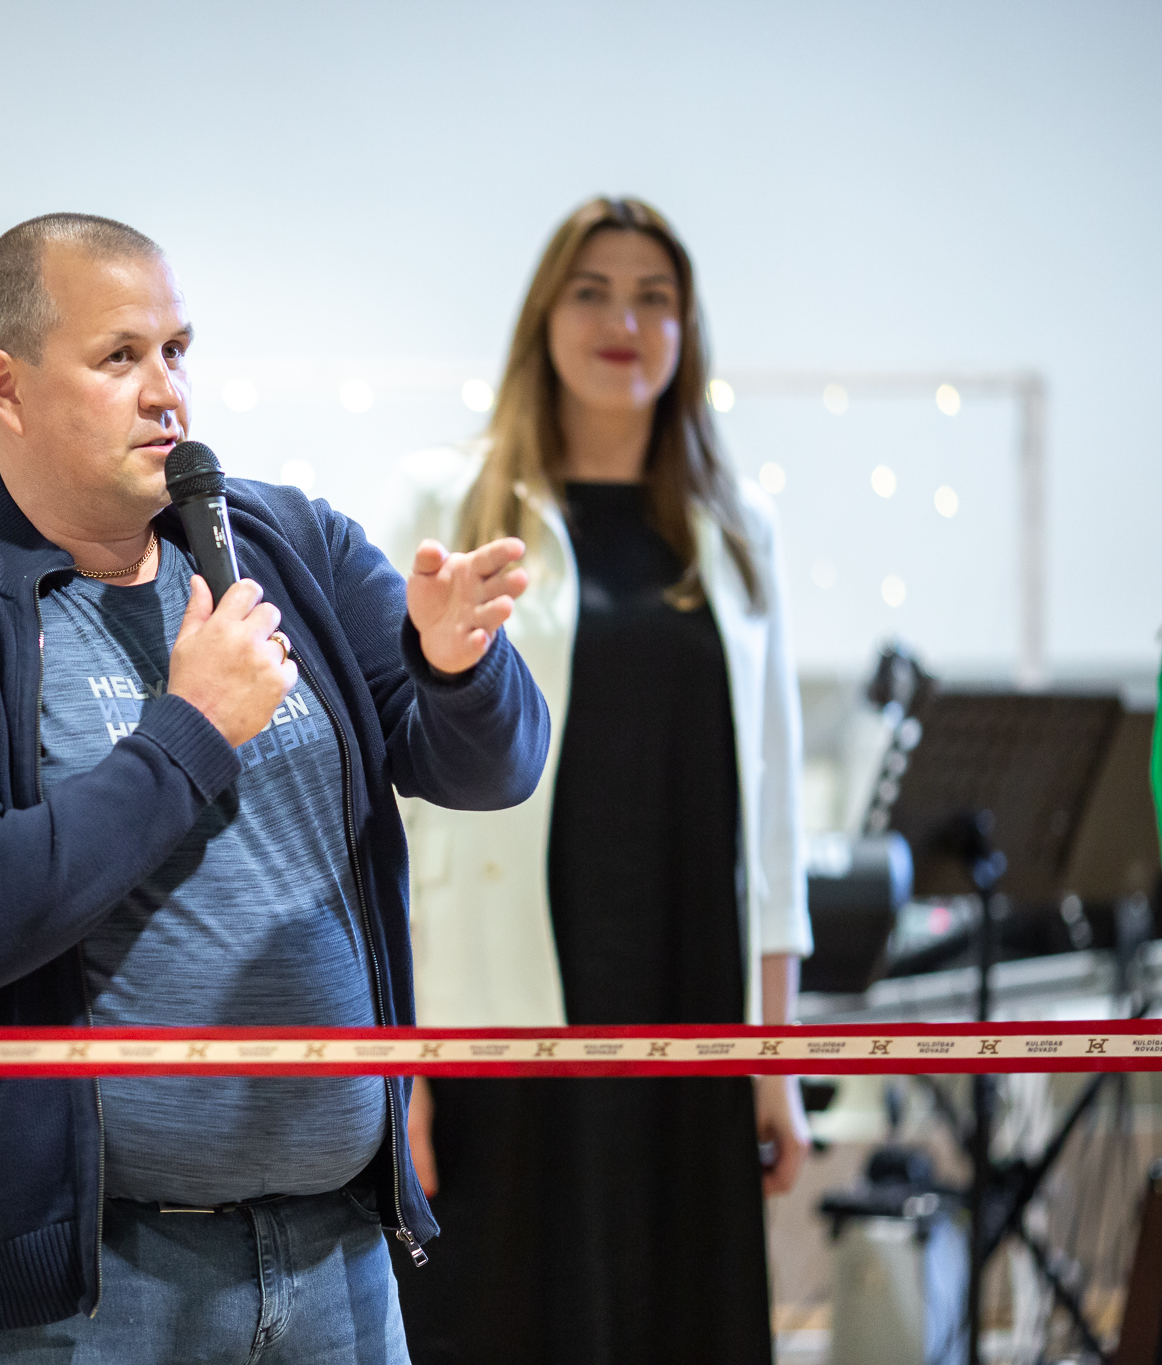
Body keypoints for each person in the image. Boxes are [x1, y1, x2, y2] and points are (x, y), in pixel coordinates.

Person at [0, 213, 550, 1364]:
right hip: (86, 1295)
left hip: (337, 1256)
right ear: (4, 386)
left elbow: (492, 770)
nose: (167, 393)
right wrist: (190, 730)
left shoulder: (288, 544)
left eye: (176, 350)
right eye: (119, 357)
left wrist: (457, 670)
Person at [384, 196, 811, 1365]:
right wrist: (400, 1062)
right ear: (543, 318)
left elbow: (772, 815)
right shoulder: (449, 502)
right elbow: (392, 796)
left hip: (690, 984)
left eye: (652, 298)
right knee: (503, 1311)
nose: (622, 322)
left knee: (678, 1311)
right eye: (591, 292)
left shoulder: (735, 527)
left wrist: (775, 1056)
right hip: (494, 993)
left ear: (685, 332)